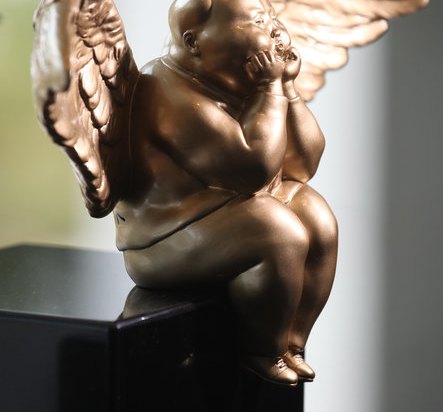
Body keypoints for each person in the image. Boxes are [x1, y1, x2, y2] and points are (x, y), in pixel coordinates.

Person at [114, 0, 337, 386]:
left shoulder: (233, 78)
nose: (273, 29)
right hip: (166, 236)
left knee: (315, 215)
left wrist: (287, 88)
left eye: (270, 18)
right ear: (195, 41)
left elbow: (303, 165)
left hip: (225, 211)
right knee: (277, 230)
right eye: (256, 21)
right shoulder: (164, 90)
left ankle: (292, 344)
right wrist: (270, 89)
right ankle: (261, 349)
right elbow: (251, 169)